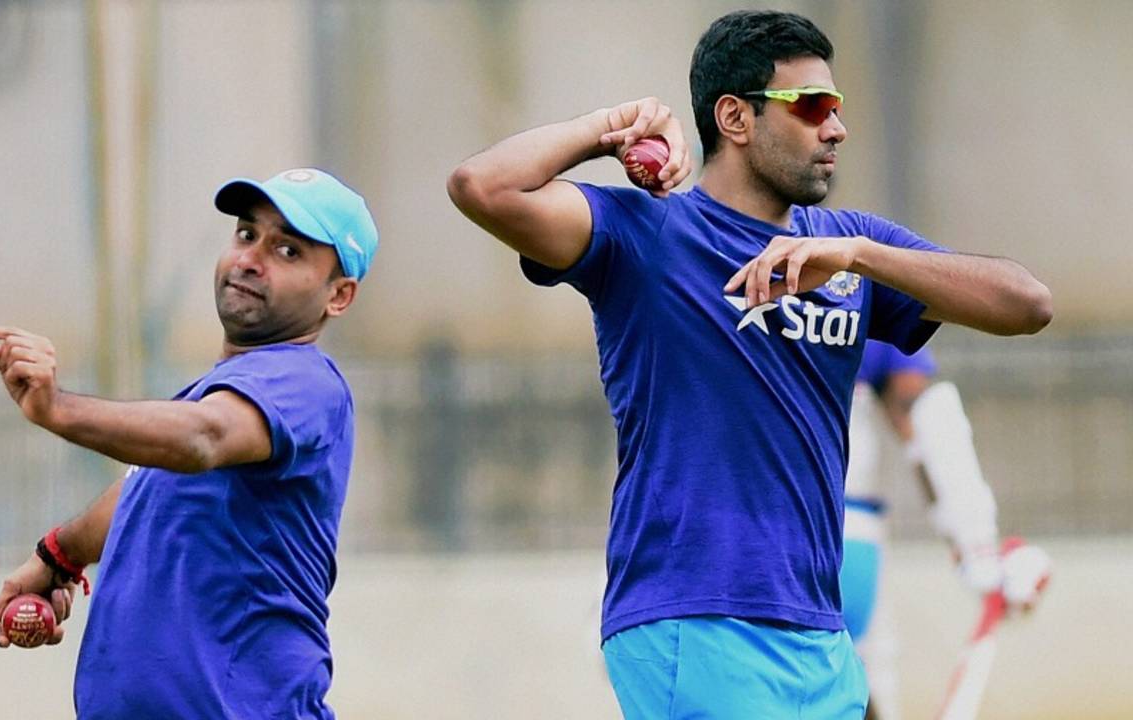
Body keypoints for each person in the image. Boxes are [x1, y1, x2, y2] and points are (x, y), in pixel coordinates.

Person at [447, 9, 1051, 719]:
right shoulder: (649, 233)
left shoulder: (848, 244)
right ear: (734, 118)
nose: (837, 128)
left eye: (840, 108)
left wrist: (859, 256)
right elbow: (482, 187)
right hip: (694, 618)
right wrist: (610, 126)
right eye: (813, 107)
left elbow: (1027, 304)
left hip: (821, 634)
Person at [0, 167, 378, 719]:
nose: (250, 259)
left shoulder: (305, 383)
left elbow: (199, 440)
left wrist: (57, 409)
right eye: (246, 233)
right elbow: (153, 487)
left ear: (339, 295)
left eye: (288, 251)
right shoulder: (211, 401)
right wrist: (60, 554)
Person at [841, 340, 1050, 720]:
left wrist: (976, 542)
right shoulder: (863, 283)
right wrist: (975, 542)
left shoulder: (705, 282)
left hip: (730, 536)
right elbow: (924, 414)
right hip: (849, 538)